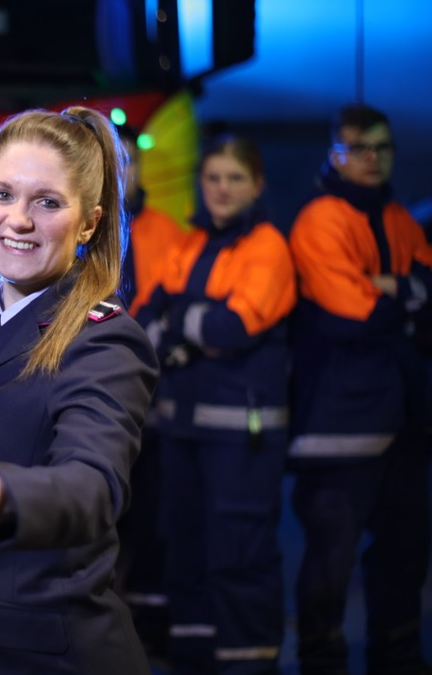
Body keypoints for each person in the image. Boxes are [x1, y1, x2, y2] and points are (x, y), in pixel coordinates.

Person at [0, 106, 158, 674]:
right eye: (2, 194)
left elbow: (93, 486)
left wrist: (2, 495)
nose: (17, 220)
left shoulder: (105, 340)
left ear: (89, 224)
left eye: (46, 203)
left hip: (41, 658)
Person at [288, 104, 432, 675]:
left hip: (404, 419)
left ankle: (399, 659)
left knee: (405, 554)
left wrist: (394, 289)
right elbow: (350, 316)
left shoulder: (400, 217)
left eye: (382, 147)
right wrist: (411, 295)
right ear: (334, 153)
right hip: (339, 424)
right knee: (331, 561)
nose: (372, 159)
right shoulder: (320, 219)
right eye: (359, 148)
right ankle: (322, 663)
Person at [134, 134, 296, 675]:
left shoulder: (268, 245)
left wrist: (182, 323)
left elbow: (233, 327)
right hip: (184, 427)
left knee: (240, 551)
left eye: (235, 178)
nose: (222, 189)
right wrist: (185, 323)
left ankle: (248, 661)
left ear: (257, 185)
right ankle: (195, 656)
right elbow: (151, 313)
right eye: (213, 178)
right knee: (186, 548)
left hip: (240, 432)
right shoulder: (194, 241)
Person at [115, 123, 189, 658]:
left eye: (130, 162)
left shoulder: (169, 231)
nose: (124, 173)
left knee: (155, 513)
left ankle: (151, 623)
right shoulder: (81, 230)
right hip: (98, 394)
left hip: (158, 399)